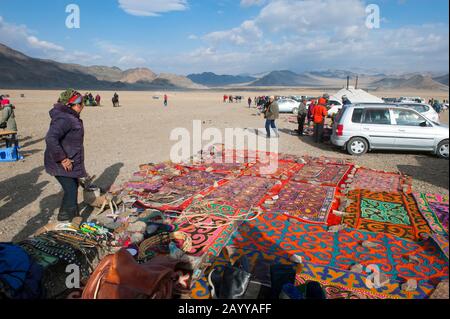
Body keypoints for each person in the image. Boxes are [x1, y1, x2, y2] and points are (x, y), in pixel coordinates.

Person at [44, 89, 87, 222]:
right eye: (79, 103)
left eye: (82, 103)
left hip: (70, 160)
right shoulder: (65, 118)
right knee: (71, 189)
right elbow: (51, 138)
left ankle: (64, 215)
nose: (82, 106)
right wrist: (62, 158)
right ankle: (72, 219)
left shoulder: (70, 117)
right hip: (60, 162)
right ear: (70, 105)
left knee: (72, 186)